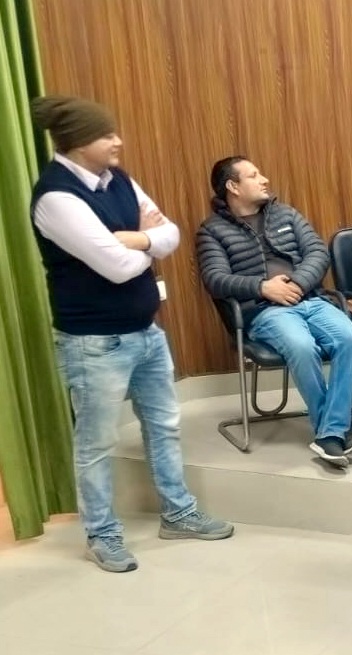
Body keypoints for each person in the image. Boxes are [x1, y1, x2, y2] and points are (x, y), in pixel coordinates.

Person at [29, 95, 233, 572]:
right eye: (106, 135)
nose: (117, 140)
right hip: (94, 344)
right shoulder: (57, 197)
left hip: (146, 330)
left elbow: (171, 235)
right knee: (96, 443)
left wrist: (137, 238)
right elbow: (117, 268)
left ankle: (178, 513)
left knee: (164, 426)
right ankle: (102, 534)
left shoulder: (117, 178)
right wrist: (145, 244)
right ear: (78, 143)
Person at [196, 156, 352, 467]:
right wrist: (263, 287)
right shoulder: (212, 231)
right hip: (264, 311)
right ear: (233, 187)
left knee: (350, 339)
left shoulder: (285, 213)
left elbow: (317, 252)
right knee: (301, 346)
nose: (264, 180)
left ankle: (330, 432)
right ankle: (333, 432)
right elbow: (215, 279)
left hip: (310, 299)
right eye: (253, 175)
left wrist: (297, 284)